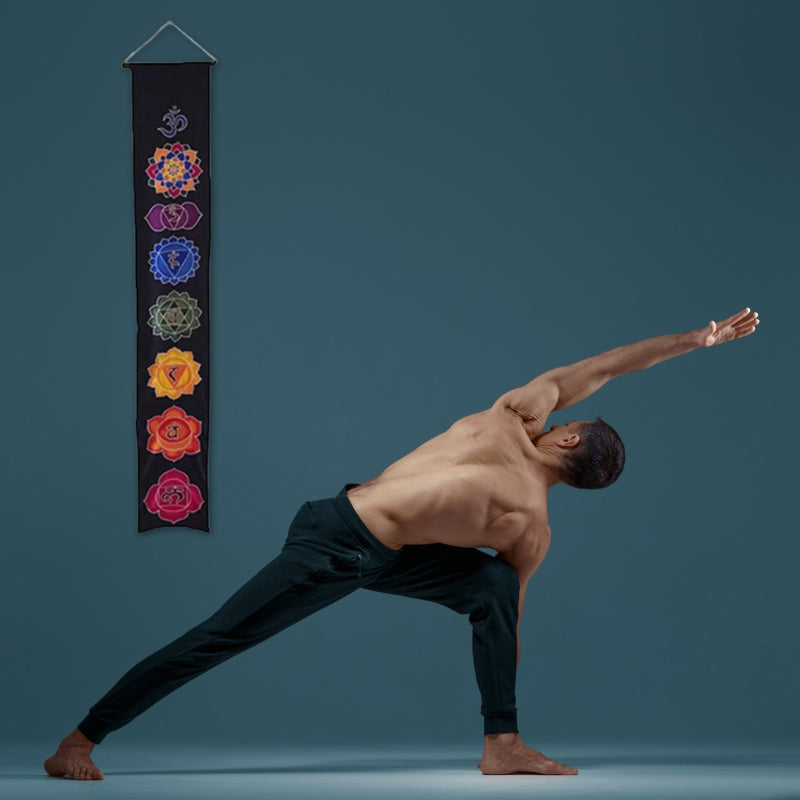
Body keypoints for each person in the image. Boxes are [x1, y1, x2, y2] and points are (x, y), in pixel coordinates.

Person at [44, 307, 760, 781]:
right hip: (338, 547)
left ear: (568, 435)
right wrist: (696, 343)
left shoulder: (513, 415)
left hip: (348, 529)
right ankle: (78, 741)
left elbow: (605, 365)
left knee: (488, 590)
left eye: (573, 420)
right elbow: (512, 630)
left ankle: (499, 745)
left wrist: (696, 340)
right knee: (229, 634)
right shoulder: (531, 529)